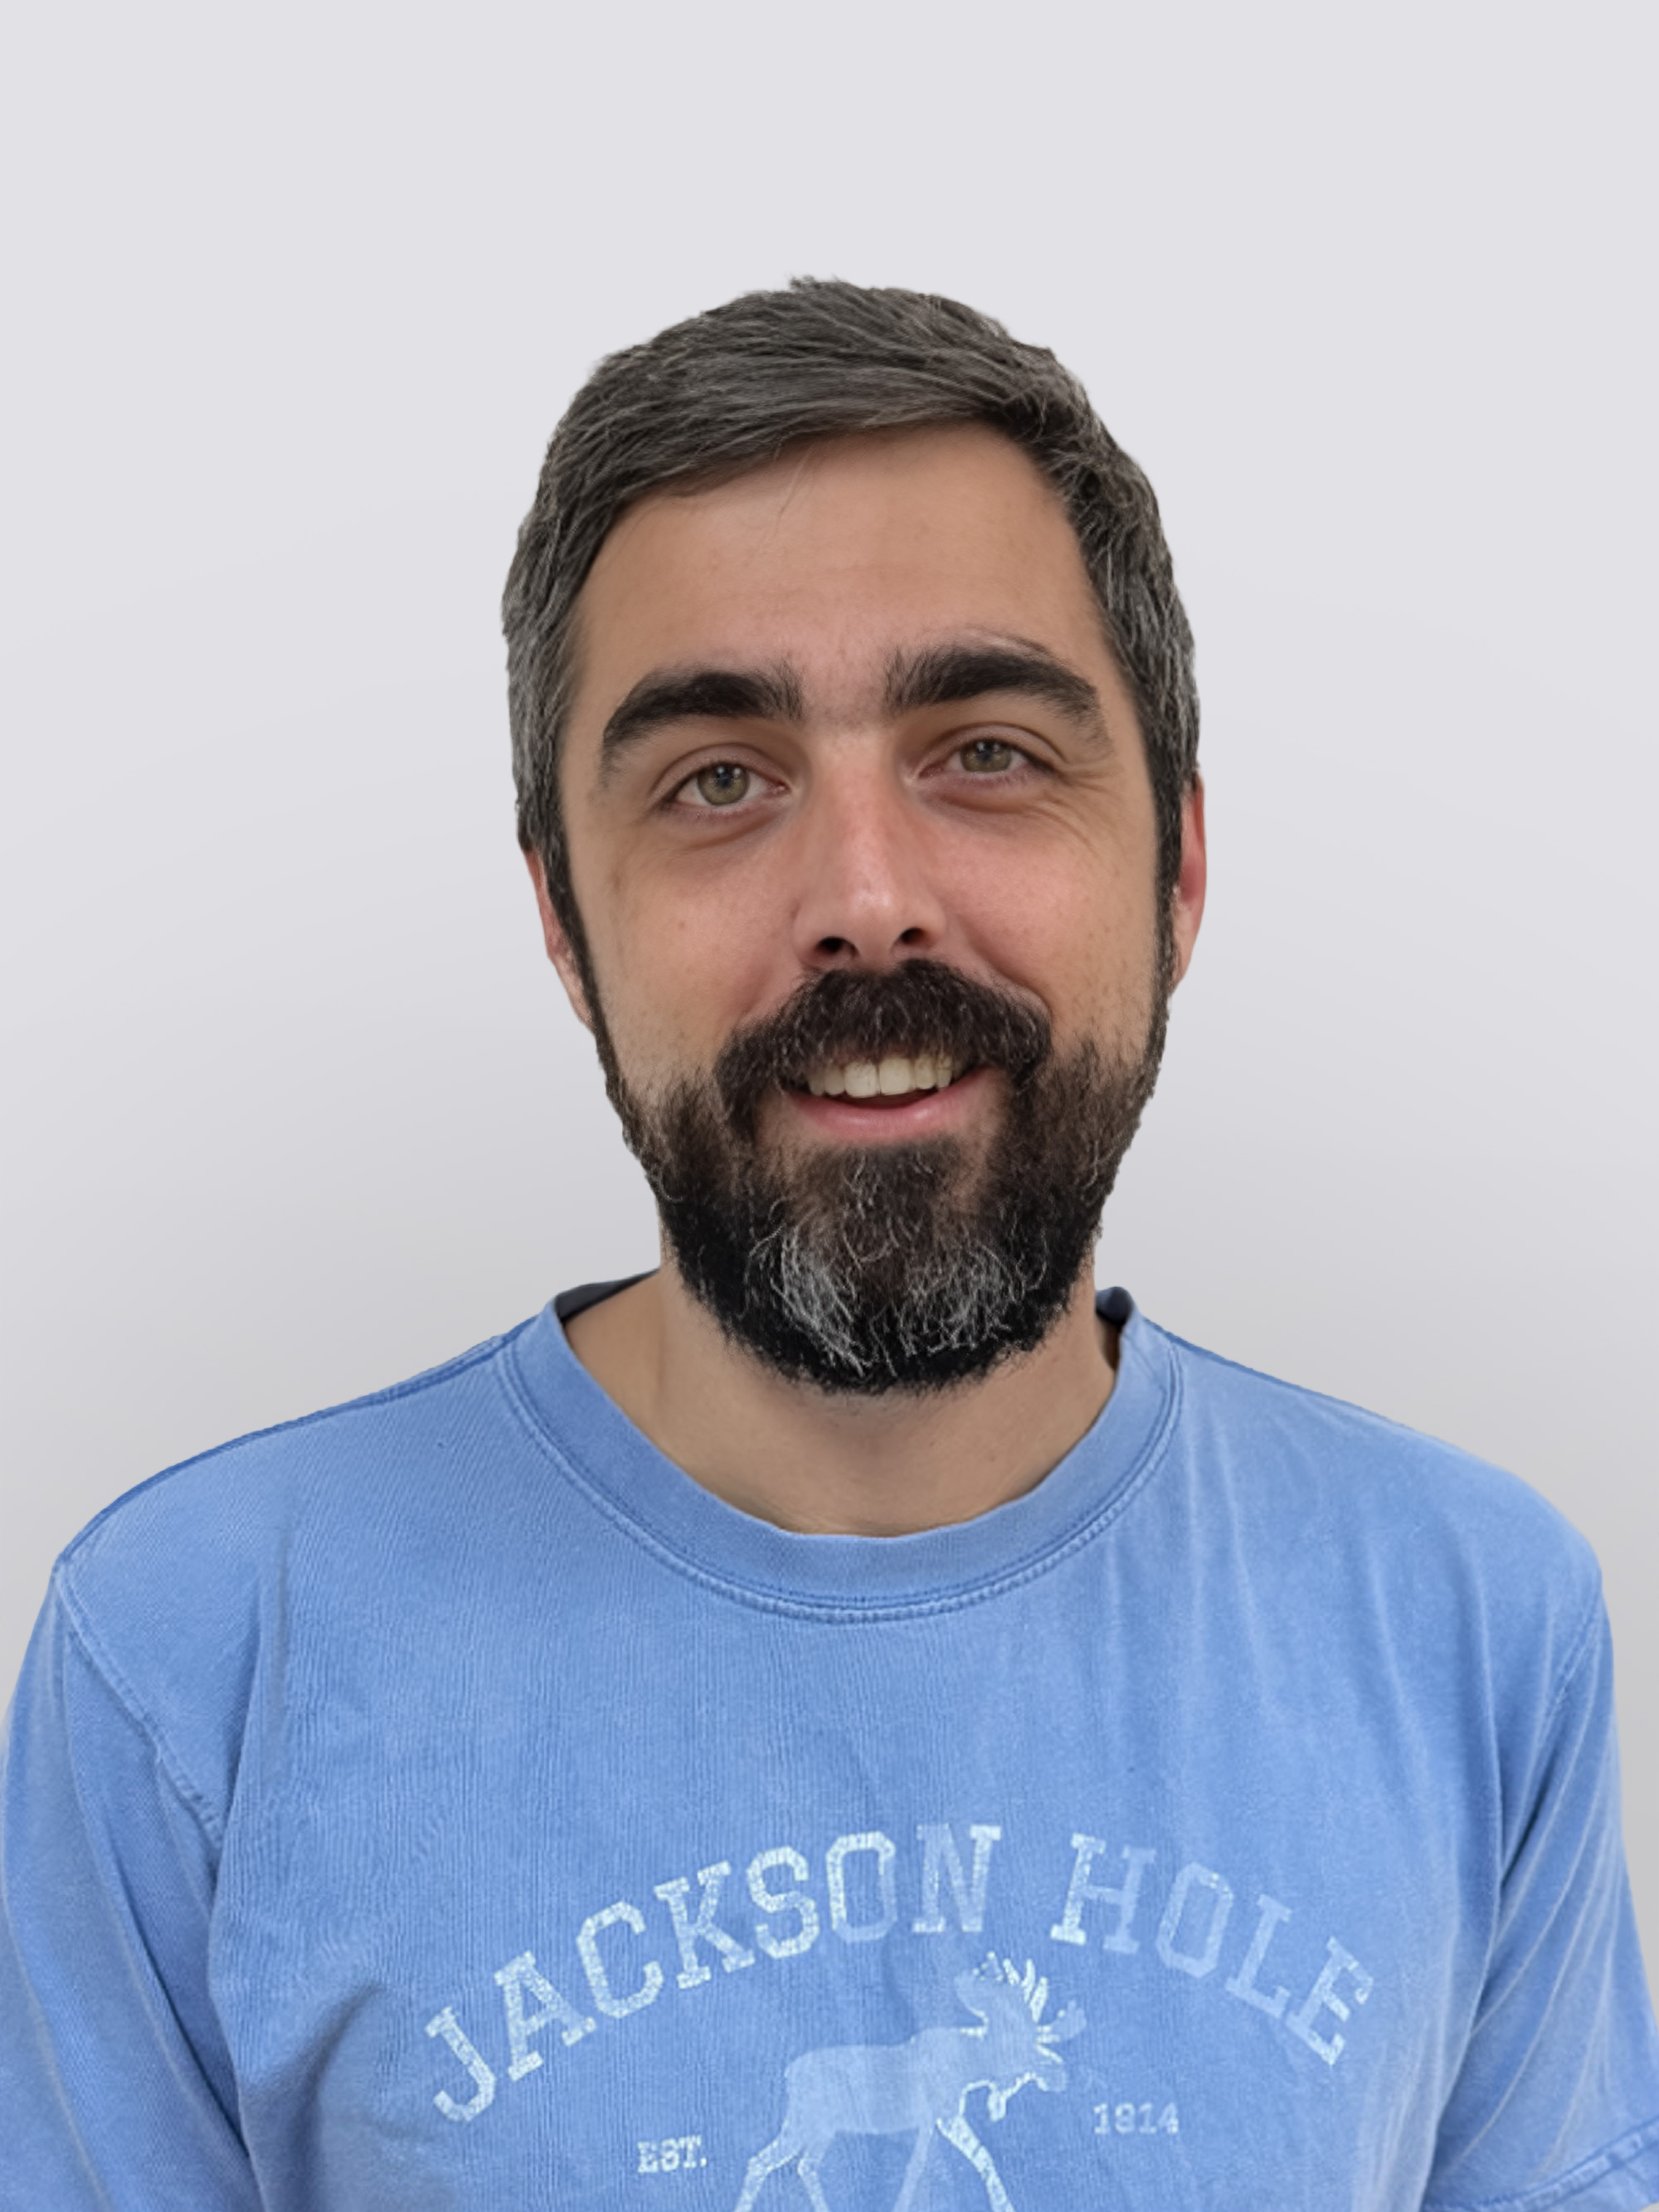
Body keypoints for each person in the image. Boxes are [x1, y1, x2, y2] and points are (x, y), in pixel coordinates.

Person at [2, 280, 1656, 2212]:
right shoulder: (191, 1659)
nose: (866, 900)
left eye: (987, 753)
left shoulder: (1470, 1621)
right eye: (718, 779)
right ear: (564, 924)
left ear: (1178, 872)